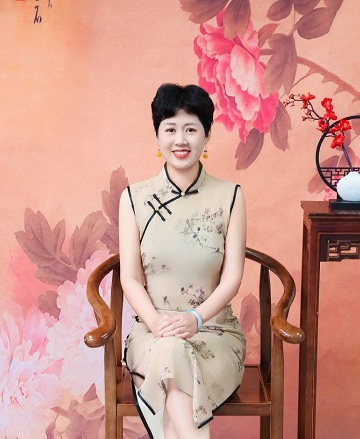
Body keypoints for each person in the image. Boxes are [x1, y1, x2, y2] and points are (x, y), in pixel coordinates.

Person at [119, 83, 247, 439]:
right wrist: (156, 322)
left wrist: (196, 318)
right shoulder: (135, 198)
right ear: (158, 135)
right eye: (170, 129)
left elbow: (232, 278)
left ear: (207, 135)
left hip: (214, 332)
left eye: (191, 129)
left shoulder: (230, 196)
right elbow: (130, 278)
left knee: (174, 367)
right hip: (152, 332)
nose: (180, 140)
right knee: (170, 351)